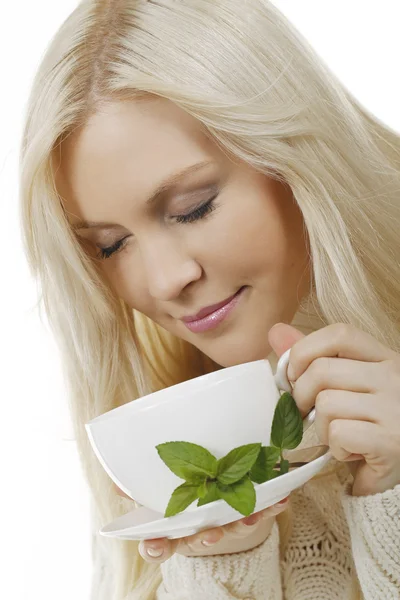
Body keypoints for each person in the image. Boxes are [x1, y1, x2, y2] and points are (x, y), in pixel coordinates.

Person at [19, 1, 400, 599]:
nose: (166, 280)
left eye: (192, 208)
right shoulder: (161, 444)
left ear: (297, 160)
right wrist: (219, 567)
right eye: (110, 246)